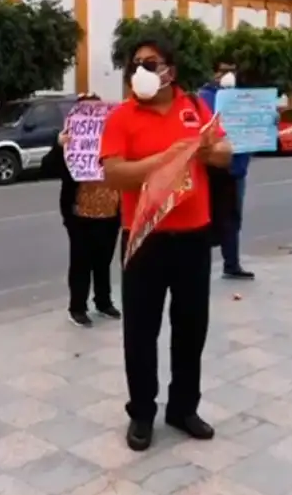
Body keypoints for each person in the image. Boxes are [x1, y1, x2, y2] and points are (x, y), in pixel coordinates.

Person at [100, 37, 233, 452]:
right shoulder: (121, 116)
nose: (139, 70)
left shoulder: (195, 108)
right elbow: (114, 175)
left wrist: (208, 150)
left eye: (150, 63)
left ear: (170, 72)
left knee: (191, 328)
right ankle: (142, 412)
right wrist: (166, 159)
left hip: (194, 237)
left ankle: (183, 408)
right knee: (140, 331)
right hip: (143, 239)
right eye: (134, 64)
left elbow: (225, 152)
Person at [41, 105, 122, 328]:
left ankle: (103, 301)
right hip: (80, 214)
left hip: (110, 212)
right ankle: (77, 307)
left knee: (104, 260)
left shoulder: (114, 140)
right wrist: (59, 147)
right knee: (81, 263)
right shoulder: (71, 142)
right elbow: (47, 168)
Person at [197, 60, 254, 280]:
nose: (228, 75)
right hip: (213, 168)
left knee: (233, 218)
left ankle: (232, 264)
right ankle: (200, 265)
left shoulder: (244, 97)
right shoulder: (204, 97)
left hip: (237, 168)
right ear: (214, 73)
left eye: (232, 70)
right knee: (208, 219)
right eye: (223, 71)